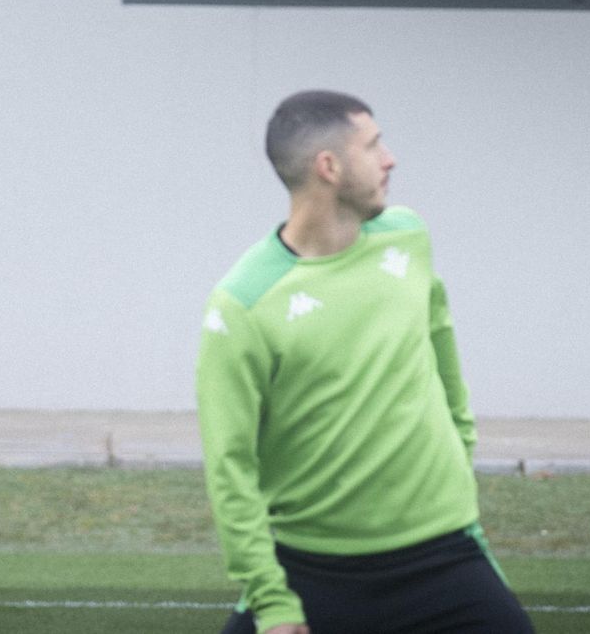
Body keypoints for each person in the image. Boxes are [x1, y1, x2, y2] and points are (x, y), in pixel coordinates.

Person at [196, 90, 534, 634]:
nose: (390, 158)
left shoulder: (407, 236)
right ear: (328, 167)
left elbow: (441, 343)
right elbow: (229, 465)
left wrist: (458, 448)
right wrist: (273, 602)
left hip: (443, 555)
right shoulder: (242, 304)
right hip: (311, 571)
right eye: (373, 145)